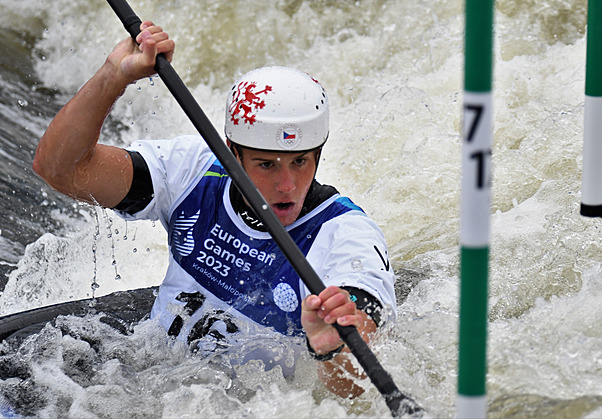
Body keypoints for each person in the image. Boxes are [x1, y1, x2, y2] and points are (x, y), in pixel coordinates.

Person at [33, 21, 396, 398]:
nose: (286, 185)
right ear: (232, 152)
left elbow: (357, 388)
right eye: (266, 164)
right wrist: (114, 76)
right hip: (146, 380)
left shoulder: (345, 234)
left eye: (300, 162)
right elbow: (62, 169)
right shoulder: (194, 169)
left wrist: (332, 348)